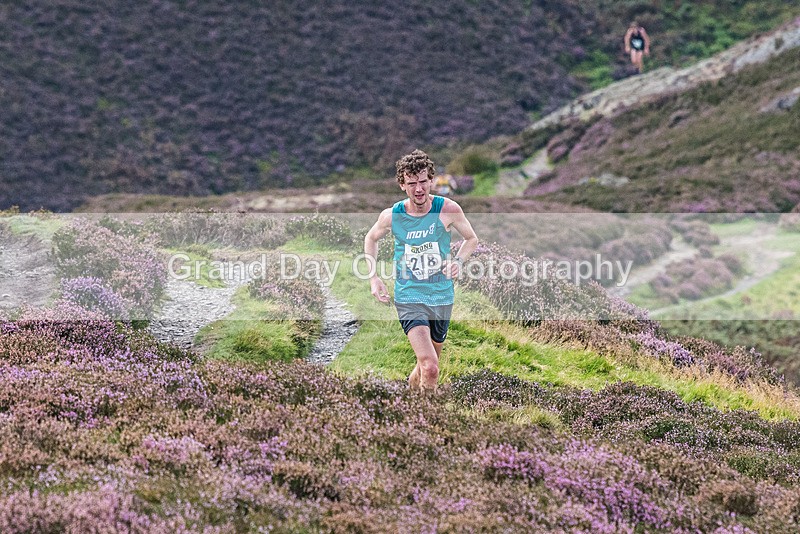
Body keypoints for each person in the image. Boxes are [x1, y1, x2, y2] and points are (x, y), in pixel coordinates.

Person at [364, 149, 479, 391]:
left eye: (423, 182)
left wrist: (458, 262)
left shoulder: (447, 209)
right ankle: (426, 420)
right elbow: (371, 239)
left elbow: (471, 239)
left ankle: (410, 396)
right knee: (431, 367)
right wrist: (374, 278)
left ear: (431, 181)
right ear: (402, 185)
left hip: (441, 296)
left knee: (426, 364)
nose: (419, 189)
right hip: (409, 295)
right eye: (412, 183)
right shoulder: (392, 216)